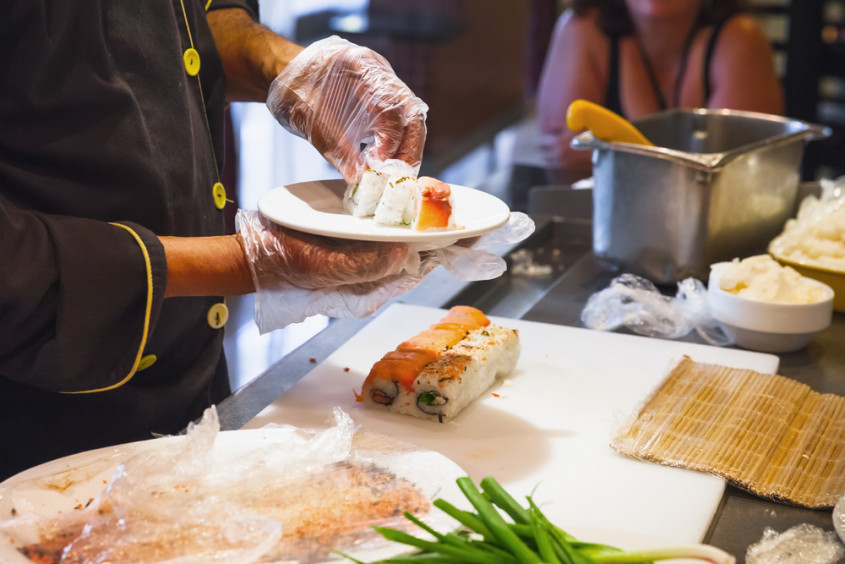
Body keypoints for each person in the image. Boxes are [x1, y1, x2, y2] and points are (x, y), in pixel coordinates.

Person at [0, 1, 430, 480]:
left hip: (198, 394)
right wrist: (246, 263)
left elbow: (182, 25)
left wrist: (290, 68)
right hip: (33, 424)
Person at [536, 0, 785, 182]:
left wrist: (611, 155)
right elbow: (565, 163)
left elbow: (738, 174)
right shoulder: (580, 29)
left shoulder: (741, 38)